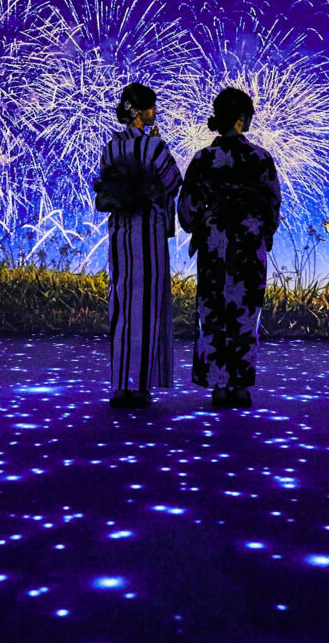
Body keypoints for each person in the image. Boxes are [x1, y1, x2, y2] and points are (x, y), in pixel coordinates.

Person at [177, 88, 281, 408]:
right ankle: (240, 385)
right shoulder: (260, 158)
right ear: (241, 119)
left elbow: (188, 210)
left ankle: (218, 385)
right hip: (249, 242)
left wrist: (203, 223)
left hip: (215, 243)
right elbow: (273, 205)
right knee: (246, 312)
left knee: (213, 311)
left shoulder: (202, 159)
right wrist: (262, 231)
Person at [94, 83, 183, 408]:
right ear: (141, 113)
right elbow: (173, 182)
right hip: (149, 231)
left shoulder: (111, 148)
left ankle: (120, 384)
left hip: (119, 232)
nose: (154, 112)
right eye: (151, 108)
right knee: (146, 305)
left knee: (120, 303)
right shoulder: (153, 147)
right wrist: (159, 143)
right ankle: (140, 385)